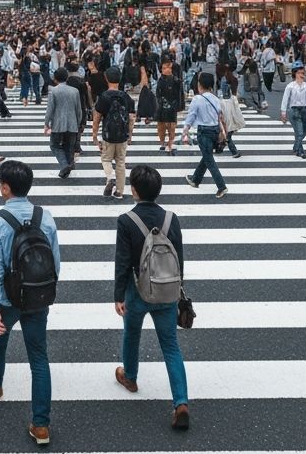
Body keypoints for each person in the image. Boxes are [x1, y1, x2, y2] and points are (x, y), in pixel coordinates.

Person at [0, 160, 60, 448]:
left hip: (9, 297)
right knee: (39, 358)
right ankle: (41, 425)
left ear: (5, 187)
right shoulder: (45, 217)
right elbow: (56, 263)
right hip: (38, 295)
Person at [113, 164, 189, 430]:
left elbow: (122, 262)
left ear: (134, 191)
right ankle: (180, 402)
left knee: (131, 334)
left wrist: (118, 294)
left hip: (138, 290)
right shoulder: (171, 218)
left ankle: (130, 376)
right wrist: (179, 290)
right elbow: (179, 259)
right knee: (170, 346)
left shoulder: (126, 221)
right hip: (166, 289)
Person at [181, 72, 228, 199]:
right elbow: (220, 117)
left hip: (204, 132)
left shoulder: (197, 99)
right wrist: (223, 133)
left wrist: (185, 130)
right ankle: (195, 180)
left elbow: (191, 116)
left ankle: (221, 186)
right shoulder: (216, 99)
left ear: (199, 84)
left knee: (209, 160)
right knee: (207, 157)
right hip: (214, 131)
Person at [91, 67, 136, 200]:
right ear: (120, 78)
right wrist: (130, 134)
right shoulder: (126, 97)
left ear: (106, 78)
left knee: (106, 159)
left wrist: (94, 135)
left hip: (108, 135)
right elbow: (131, 118)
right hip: (122, 135)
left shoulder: (104, 97)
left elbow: (97, 117)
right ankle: (119, 192)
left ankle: (110, 178)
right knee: (121, 162)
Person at [44, 66, 82, 178]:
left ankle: (65, 165)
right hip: (72, 124)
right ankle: (66, 167)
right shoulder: (75, 91)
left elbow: (50, 109)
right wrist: (78, 123)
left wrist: (47, 123)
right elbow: (78, 110)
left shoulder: (53, 91)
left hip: (58, 124)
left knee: (54, 145)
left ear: (55, 78)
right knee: (68, 147)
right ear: (67, 78)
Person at [279, 62, 306, 159]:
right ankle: (300, 152)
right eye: (300, 73)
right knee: (299, 132)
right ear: (295, 73)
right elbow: (285, 100)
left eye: (303, 73)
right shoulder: (290, 86)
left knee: (304, 131)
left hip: (304, 110)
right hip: (294, 111)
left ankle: (296, 146)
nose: (302, 75)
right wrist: (283, 113)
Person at [153, 59, 183, 154]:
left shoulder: (176, 80)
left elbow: (180, 95)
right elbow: (157, 94)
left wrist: (179, 106)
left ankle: (170, 144)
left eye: (168, 67)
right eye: (163, 68)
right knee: (161, 125)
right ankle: (162, 143)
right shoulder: (160, 80)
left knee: (171, 126)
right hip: (161, 106)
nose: (165, 70)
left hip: (172, 106)